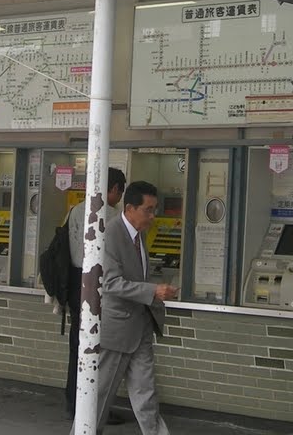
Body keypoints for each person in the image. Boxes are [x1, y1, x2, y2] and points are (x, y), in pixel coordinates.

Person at [76, 180, 178, 435]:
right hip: (117, 330)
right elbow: (110, 283)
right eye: (149, 209)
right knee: (98, 398)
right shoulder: (109, 234)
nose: (153, 216)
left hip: (141, 326)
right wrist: (152, 291)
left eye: (155, 209)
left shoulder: (138, 234)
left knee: (146, 394)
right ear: (130, 208)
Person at [65, 166, 126, 421]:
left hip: (76, 283)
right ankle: (92, 408)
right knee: (97, 348)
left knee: (77, 345)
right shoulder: (112, 215)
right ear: (113, 189)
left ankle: (73, 400)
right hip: (100, 285)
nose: (120, 197)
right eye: (120, 191)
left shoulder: (75, 210)